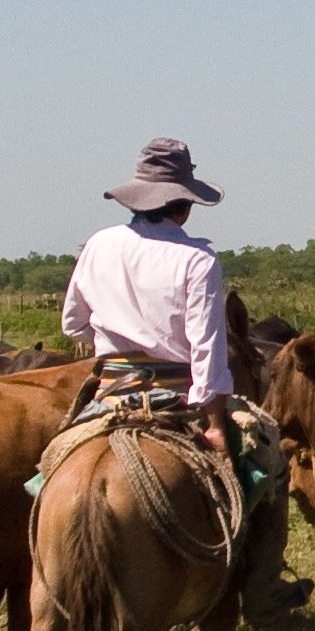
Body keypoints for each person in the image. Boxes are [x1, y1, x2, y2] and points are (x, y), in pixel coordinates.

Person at [60, 136, 236, 453]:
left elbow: (73, 325)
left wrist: (118, 339)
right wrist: (216, 426)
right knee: (259, 459)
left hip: (110, 395)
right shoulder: (198, 258)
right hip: (176, 397)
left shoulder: (98, 244)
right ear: (186, 205)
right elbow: (206, 349)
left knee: (51, 464)